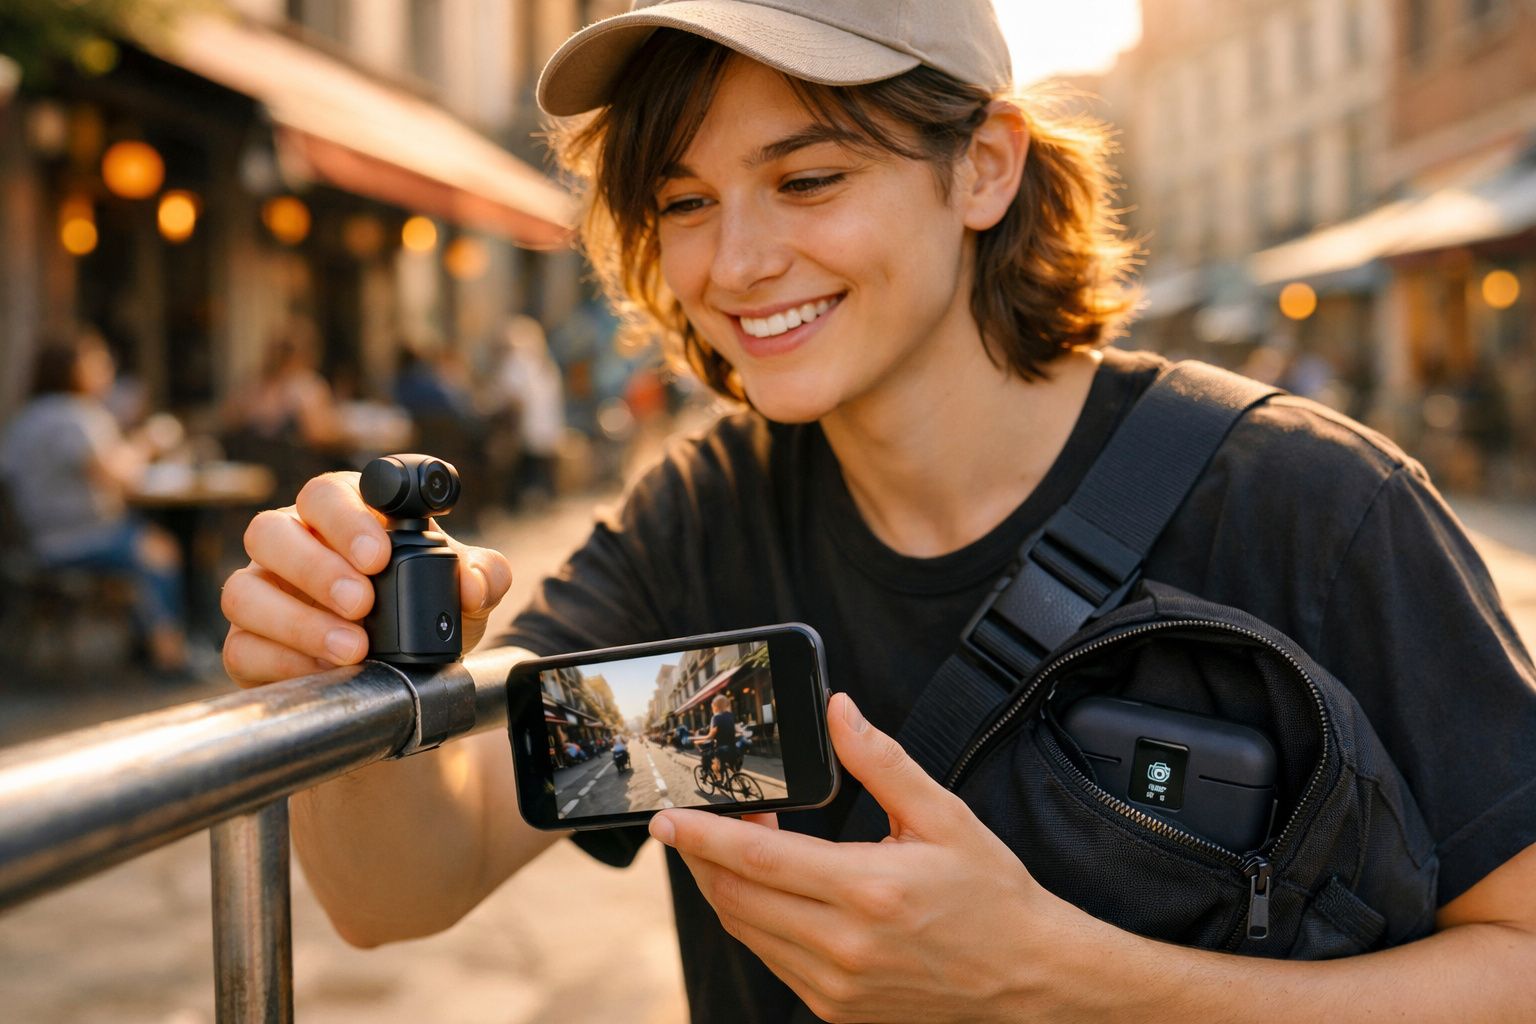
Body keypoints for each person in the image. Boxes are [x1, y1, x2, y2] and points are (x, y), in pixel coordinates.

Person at [216, 2, 1536, 1020]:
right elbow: (411, 882)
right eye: (684, 200)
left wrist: (1061, 982)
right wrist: (340, 662)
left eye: (808, 180)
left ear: (983, 169)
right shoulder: (712, 532)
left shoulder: (1300, 506)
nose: (735, 264)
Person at [2, 327, 190, 673]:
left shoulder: (25, 418)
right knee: (160, 549)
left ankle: (146, 643)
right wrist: (150, 441)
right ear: (73, 368)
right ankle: (169, 654)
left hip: (33, 541)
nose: (107, 369)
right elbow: (121, 475)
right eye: (98, 362)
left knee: (144, 539)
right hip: (77, 539)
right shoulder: (74, 416)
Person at [692, 694, 739, 776]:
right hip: (734, 749)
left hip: (722, 750)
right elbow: (735, 731)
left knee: (710, 759)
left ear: (715, 706)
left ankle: (718, 778)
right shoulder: (731, 715)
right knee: (731, 768)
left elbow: (710, 737)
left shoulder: (715, 718)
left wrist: (698, 741)